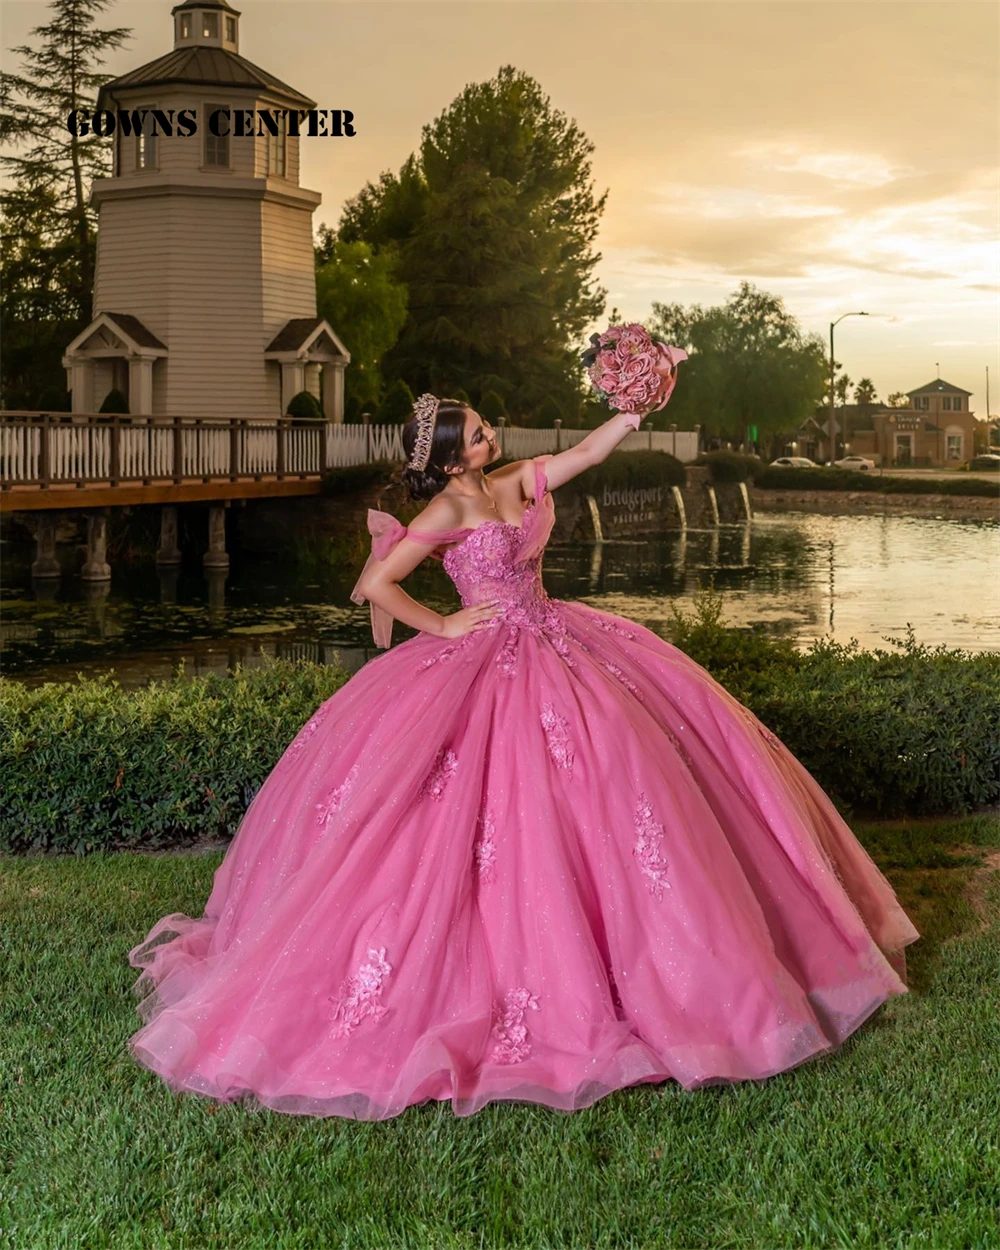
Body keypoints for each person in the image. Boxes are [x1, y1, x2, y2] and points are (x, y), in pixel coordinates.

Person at [128, 394, 919, 1121]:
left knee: (623, 784)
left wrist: (634, 411)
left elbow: (586, 455)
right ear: (446, 457)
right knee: (472, 820)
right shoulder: (446, 506)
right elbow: (376, 581)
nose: (489, 435)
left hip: (559, 641)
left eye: (484, 426)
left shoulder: (514, 478)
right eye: (474, 432)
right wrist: (441, 629)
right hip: (483, 659)